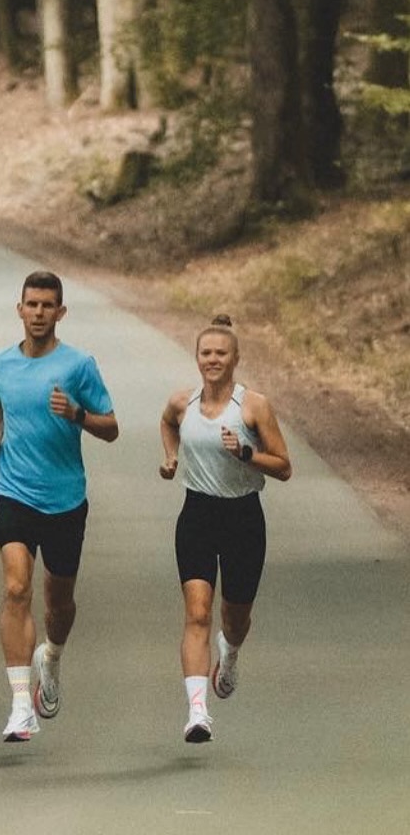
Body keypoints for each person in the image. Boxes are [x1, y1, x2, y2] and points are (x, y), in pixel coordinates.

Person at [0, 270, 119, 742]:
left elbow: (111, 426)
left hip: (65, 499)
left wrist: (77, 415)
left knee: (58, 603)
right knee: (16, 588)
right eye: (31, 305)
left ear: (60, 312)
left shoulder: (79, 366)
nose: (38, 314)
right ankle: (21, 705)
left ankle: (52, 656)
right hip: (13, 490)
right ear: (19, 309)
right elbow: (0, 402)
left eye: (47, 306)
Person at [159, 314, 291, 743]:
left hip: (243, 519)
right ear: (197, 358)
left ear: (235, 358)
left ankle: (229, 654)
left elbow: (285, 467)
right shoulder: (183, 403)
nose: (212, 360)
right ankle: (198, 712)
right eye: (206, 353)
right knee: (196, 613)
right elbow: (167, 423)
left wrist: (247, 455)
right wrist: (171, 457)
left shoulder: (253, 406)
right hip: (196, 515)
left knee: (234, 619)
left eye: (221, 353)